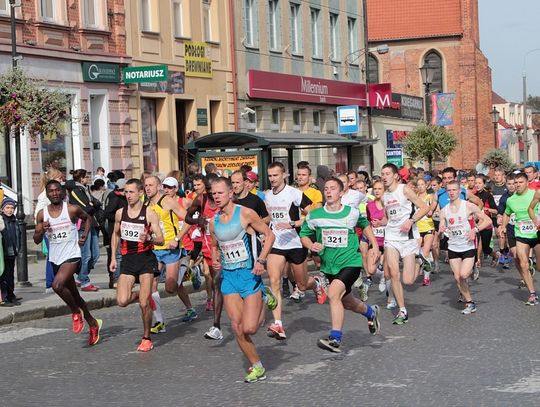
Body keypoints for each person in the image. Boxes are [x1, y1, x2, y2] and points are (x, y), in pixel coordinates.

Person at [300, 177, 381, 353]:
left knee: (333, 293)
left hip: (351, 262)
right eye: (326, 189)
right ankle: (370, 312)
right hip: (329, 265)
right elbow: (304, 234)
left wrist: (374, 245)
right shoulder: (315, 215)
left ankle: (335, 338)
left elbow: (365, 225)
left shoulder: (351, 213)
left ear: (341, 192)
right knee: (348, 302)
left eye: (333, 188)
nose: (328, 191)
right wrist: (310, 245)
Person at [209, 177, 275, 383]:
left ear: (231, 193)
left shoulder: (245, 213)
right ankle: (257, 366)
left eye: (220, 193)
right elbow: (214, 245)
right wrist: (215, 258)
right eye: (214, 193)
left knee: (250, 328)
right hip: (229, 277)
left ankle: (265, 296)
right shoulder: (214, 221)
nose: (217, 197)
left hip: (249, 275)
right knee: (237, 327)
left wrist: (261, 260)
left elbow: (269, 235)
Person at [33, 180, 102, 346]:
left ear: (62, 192)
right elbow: (36, 240)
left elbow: (87, 219)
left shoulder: (71, 209)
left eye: (57, 190)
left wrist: (84, 235)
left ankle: (75, 312)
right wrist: (41, 228)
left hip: (72, 255)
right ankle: (93, 323)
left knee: (57, 285)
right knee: (75, 295)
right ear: (47, 194)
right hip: (56, 257)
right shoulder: (42, 214)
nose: (54, 193)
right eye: (51, 191)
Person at [265, 161, 325, 340]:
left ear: (284, 175)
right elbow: (268, 217)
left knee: (301, 285)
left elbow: (312, 214)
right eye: (270, 176)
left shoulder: (294, 193)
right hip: (276, 243)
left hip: (295, 242)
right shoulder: (267, 196)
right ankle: (278, 325)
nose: (272, 179)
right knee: (274, 282)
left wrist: (293, 223)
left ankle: (315, 283)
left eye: (276, 175)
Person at [109, 178, 164, 351]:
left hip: (146, 260)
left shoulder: (149, 213)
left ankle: (146, 337)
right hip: (128, 261)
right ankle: (143, 294)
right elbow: (115, 234)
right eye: (126, 192)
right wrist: (112, 258)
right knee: (122, 301)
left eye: (132, 191)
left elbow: (161, 239)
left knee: (143, 305)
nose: (128, 195)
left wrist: (150, 238)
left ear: (140, 193)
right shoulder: (120, 213)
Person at [144, 175, 196, 332]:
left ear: (158, 186)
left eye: (151, 185)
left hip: (171, 249)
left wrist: (177, 238)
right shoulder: (145, 204)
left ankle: (188, 269)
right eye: (145, 185)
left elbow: (189, 219)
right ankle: (159, 322)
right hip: (154, 249)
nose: (147, 188)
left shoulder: (167, 201)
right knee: (152, 285)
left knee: (171, 288)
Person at [381, 163, 430, 325]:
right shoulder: (384, 196)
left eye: (387, 173)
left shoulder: (404, 190)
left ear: (395, 175)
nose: (384, 176)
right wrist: (379, 223)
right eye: (382, 174)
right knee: (394, 273)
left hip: (408, 238)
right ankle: (402, 310)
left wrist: (411, 220)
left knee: (408, 280)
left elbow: (424, 208)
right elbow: (388, 218)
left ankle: (420, 260)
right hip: (392, 238)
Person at [439, 180, 492, 314]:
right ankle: (470, 302)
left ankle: (472, 267)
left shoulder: (468, 206)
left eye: (454, 190)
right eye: (449, 190)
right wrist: (441, 227)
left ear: (459, 191)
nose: (451, 193)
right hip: (453, 247)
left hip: (467, 246)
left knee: (463, 275)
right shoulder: (444, 210)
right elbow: (441, 224)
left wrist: (476, 230)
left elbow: (488, 220)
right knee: (458, 277)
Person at [500, 172, 539, 305]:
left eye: (520, 182)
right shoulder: (511, 200)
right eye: (515, 183)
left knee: (539, 267)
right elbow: (507, 213)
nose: (517, 185)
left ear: (527, 182)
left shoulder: (535, 194)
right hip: (521, 234)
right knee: (523, 263)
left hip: (537, 234)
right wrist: (503, 226)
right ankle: (532, 294)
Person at [66, 169, 101, 292]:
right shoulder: (76, 190)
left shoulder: (85, 189)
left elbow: (95, 203)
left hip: (92, 224)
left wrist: (94, 204)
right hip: (83, 225)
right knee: (86, 255)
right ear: (81, 178)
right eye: (86, 176)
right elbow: (86, 208)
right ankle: (84, 281)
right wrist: (93, 204)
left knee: (95, 255)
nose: (88, 179)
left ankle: (80, 277)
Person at [34, 168, 65, 294]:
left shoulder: (59, 193)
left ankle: (60, 281)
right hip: (49, 231)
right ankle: (49, 283)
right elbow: (38, 213)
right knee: (52, 257)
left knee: (60, 256)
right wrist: (44, 224)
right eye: (59, 178)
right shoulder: (44, 196)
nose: (61, 181)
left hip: (60, 228)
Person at [103, 178, 127, 288]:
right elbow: (107, 213)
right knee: (117, 255)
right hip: (115, 231)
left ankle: (119, 278)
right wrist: (120, 218)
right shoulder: (115, 198)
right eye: (124, 190)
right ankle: (115, 279)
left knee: (121, 255)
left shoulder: (121, 197)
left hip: (122, 230)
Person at [415, 178, 437, 286]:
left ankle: (426, 278)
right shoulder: (414, 199)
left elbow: (433, 206)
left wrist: (431, 210)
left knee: (426, 251)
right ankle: (425, 263)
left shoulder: (430, 197)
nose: (420, 186)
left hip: (428, 227)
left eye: (422, 184)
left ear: (426, 185)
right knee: (418, 252)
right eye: (418, 185)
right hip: (417, 229)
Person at [474, 175, 498, 266]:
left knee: (486, 248)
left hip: (486, 224)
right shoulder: (473, 196)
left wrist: (485, 209)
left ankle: (495, 255)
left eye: (480, 183)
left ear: (484, 184)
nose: (477, 185)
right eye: (476, 183)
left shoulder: (488, 196)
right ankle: (477, 261)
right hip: (476, 223)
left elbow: (495, 210)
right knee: (476, 243)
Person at [0, 199, 20, 306]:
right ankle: (5, 296)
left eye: (12, 208)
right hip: (4, 252)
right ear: (2, 209)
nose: (10, 210)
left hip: (12, 251)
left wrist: (18, 248)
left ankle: (11, 295)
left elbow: (18, 235)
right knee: (4, 276)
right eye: (7, 208)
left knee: (11, 275)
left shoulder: (14, 221)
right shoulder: (1, 221)